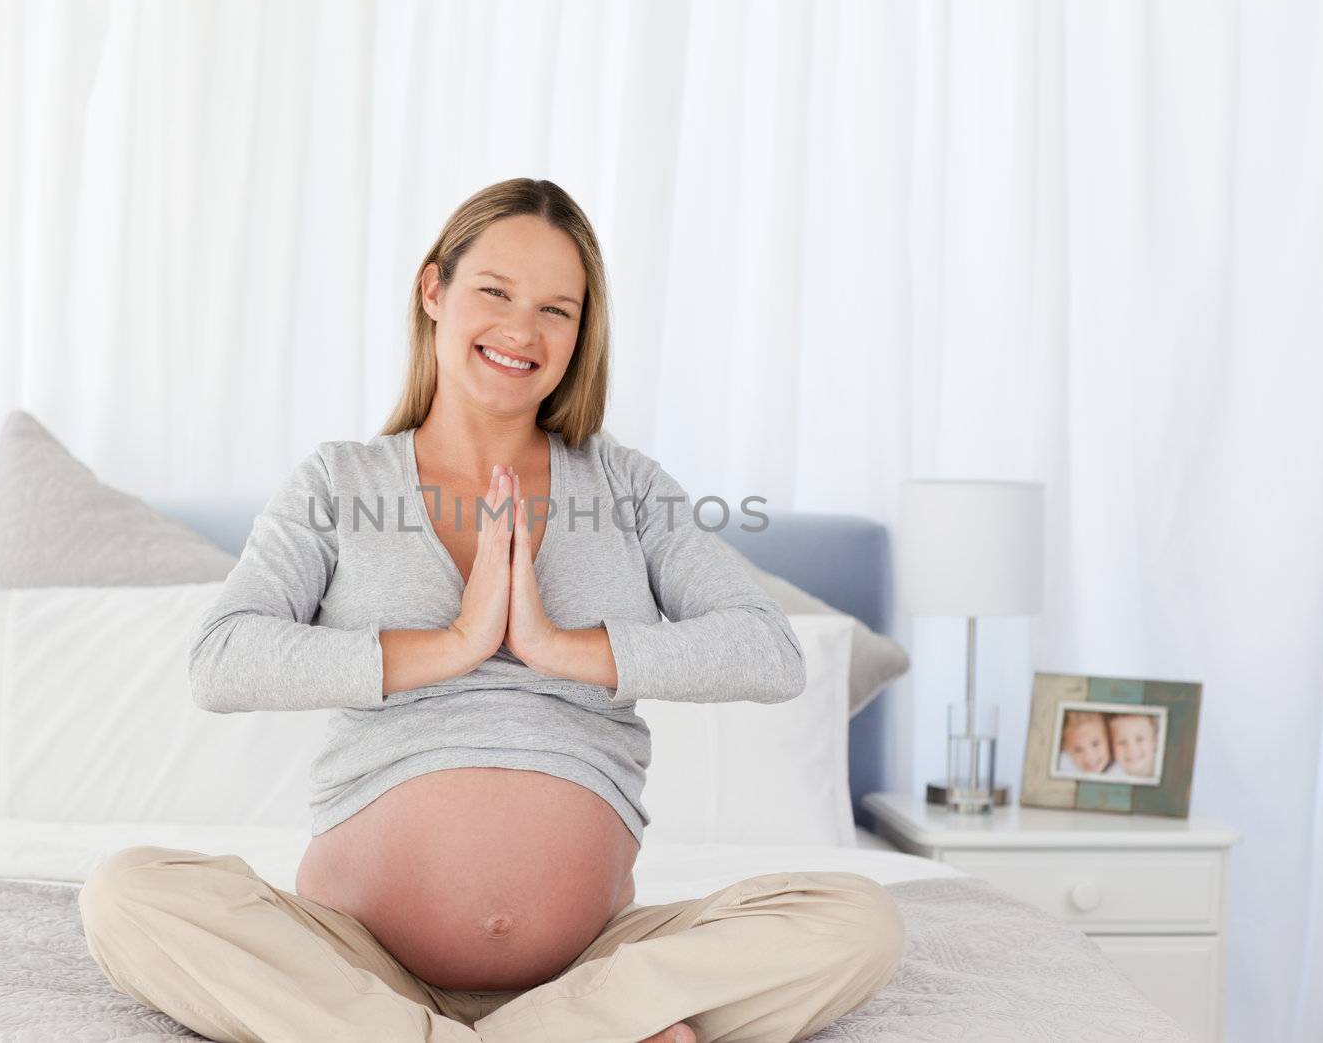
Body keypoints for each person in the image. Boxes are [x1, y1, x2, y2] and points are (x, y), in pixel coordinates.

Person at [77, 178, 905, 1043]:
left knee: (858, 921)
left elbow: (768, 651)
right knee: (128, 892)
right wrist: (454, 643)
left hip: (590, 966)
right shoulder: (339, 482)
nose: (522, 330)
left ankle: (511, 1028)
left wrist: (555, 645)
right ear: (434, 291)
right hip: (353, 961)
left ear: (583, 333)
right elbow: (223, 660)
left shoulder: (623, 485)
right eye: (496, 292)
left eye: (557, 309)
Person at [1058, 709, 1112, 775]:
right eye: (1078, 750)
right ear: (1066, 749)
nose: (1090, 757)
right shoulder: (1062, 768)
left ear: (1109, 739)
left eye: (1095, 744)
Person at [1108, 712, 1160, 779]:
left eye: (1139, 739)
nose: (1131, 749)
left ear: (1155, 741)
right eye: (1122, 742)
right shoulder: (1112, 776)